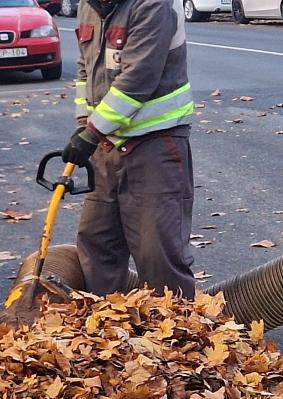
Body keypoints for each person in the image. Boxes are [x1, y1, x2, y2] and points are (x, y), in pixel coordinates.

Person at [62, 0, 196, 298]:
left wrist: (92, 133)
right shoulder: (89, 6)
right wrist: (86, 122)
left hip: (155, 145)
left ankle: (176, 337)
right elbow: (86, 69)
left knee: (157, 253)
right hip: (106, 145)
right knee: (97, 243)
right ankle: (105, 331)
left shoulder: (154, 5)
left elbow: (138, 78)